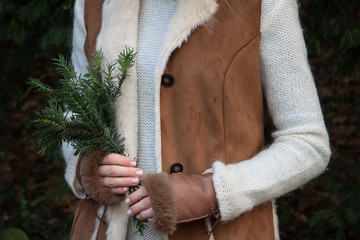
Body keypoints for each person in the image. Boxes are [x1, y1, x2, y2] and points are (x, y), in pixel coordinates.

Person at [62, 0, 331, 239]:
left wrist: (210, 191)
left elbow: (307, 141)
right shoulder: (93, 5)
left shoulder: (262, 5)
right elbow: (74, 117)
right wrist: (88, 166)